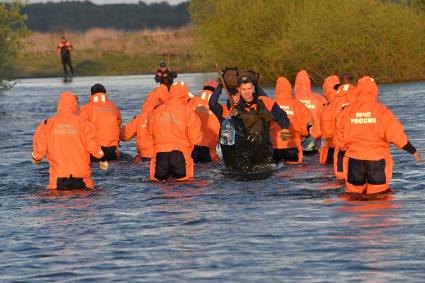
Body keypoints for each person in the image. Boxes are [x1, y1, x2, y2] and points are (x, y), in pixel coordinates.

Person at [335, 76, 421, 194]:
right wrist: (413, 151)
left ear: (358, 90)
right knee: (379, 197)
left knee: (353, 196)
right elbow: (396, 134)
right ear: (374, 90)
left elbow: (339, 138)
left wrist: (344, 151)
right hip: (377, 161)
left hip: (354, 160)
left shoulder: (347, 110)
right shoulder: (382, 110)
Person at [213, 74, 291, 172]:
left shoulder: (266, 102)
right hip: (243, 154)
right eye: (244, 89)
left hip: (264, 150)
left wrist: (284, 128)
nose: (247, 92)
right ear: (239, 90)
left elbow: (282, 115)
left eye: (249, 89)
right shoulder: (233, 109)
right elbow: (213, 106)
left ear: (253, 88)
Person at [32, 91, 106, 190]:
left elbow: (39, 153)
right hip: (81, 176)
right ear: (75, 105)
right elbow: (92, 146)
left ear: (60, 104)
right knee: (86, 200)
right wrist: (102, 158)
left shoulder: (47, 124)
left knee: (58, 201)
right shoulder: (83, 123)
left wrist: (36, 159)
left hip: (58, 177)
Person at [147, 82, 202, 181]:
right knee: (184, 185)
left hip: (160, 154)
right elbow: (195, 139)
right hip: (181, 155)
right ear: (185, 95)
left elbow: (149, 132)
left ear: (170, 93)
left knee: (158, 187)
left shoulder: (156, 111)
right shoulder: (188, 112)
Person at [120, 81, 170, 162]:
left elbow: (125, 135)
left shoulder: (139, 118)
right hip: (164, 157)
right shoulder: (170, 117)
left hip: (144, 156)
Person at [323, 73, 358, 181]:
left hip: (339, 146)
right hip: (360, 147)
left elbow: (326, 131)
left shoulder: (332, 103)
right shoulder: (364, 100)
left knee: (342, 180)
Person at [271, 77, 313, 164]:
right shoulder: (298, 105)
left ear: (277, 89)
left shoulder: (270, 103)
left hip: (273, 146)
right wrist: (303, 135)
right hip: (293, 146)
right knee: (293, 172)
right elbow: (308, 124)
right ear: (290, 88)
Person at [79, 83, 122, 161]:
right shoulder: (113, 107)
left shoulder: (86, 108)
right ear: (105, 93)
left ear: (92, 94)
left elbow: (81, 128)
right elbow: (118, 124)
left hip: (95, 150)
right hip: (112, 150)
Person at [294, 70, 327, 154]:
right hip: (314, 142)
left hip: (295, 143)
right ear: (308, 82)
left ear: (296, 83)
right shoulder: (320, 99)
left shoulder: (292, 99)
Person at [189, 80, 221, 163]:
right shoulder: (217, 106)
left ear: (203, 89)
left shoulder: (192, 101)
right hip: (209, 148)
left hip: (193, 146)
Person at [319, 75, 340, 165]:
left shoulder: (326, 107)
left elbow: (323, 132)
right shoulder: (349, 102)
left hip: (332, 147)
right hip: (349, 148)